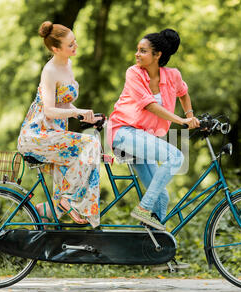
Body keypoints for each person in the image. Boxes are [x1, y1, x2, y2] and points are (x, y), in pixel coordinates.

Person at [106, 29, 200, 230]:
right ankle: (143, 208)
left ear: (158, 55)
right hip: (123, 133)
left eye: (143, 51)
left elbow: (183, 94)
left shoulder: (173, 75)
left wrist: (190, 115)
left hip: (142, 138)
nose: (137, 54)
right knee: (175, 157)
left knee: (162, 198)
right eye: (137, 50)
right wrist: (182, 121)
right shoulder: (133, 73)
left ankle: (155, 253)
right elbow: (150, 105)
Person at [17, 21, 101, 228]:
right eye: (70, 44)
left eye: (75, 42)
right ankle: (68, 201)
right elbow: (48, 110)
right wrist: (76, 112)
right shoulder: (50, 71)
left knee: (87, 153)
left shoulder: (68, 65)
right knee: (90, 144)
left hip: (55, 132)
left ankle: (47, 211)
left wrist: (84, 116)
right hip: (38, 134)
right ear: (56, 49)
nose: (76, 46)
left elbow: (63, 102)